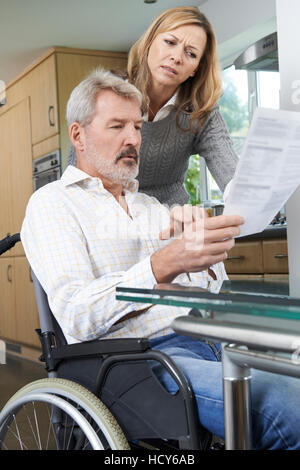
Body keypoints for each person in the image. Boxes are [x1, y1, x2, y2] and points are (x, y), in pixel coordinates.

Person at [21, 69, 300, 450]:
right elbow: (77, 315)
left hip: (205, 340)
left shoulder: (150, 206)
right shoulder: (53, 204)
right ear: (78, 135)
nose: (133, 138)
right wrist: (160, 265)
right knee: (289, 410)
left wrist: (201, 252)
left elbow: (208, 288)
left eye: (136, 126)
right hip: (137, 363)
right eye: (117, 126)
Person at [67, 6, 238, 206]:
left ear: (195, 69)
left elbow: (233, 177)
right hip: (111, 217)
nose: (176, 57)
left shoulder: (201, 112)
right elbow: (77, 176)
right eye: (170, 42)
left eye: (190, 54)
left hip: (170, 220)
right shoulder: (107, 95)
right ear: (149, 43)